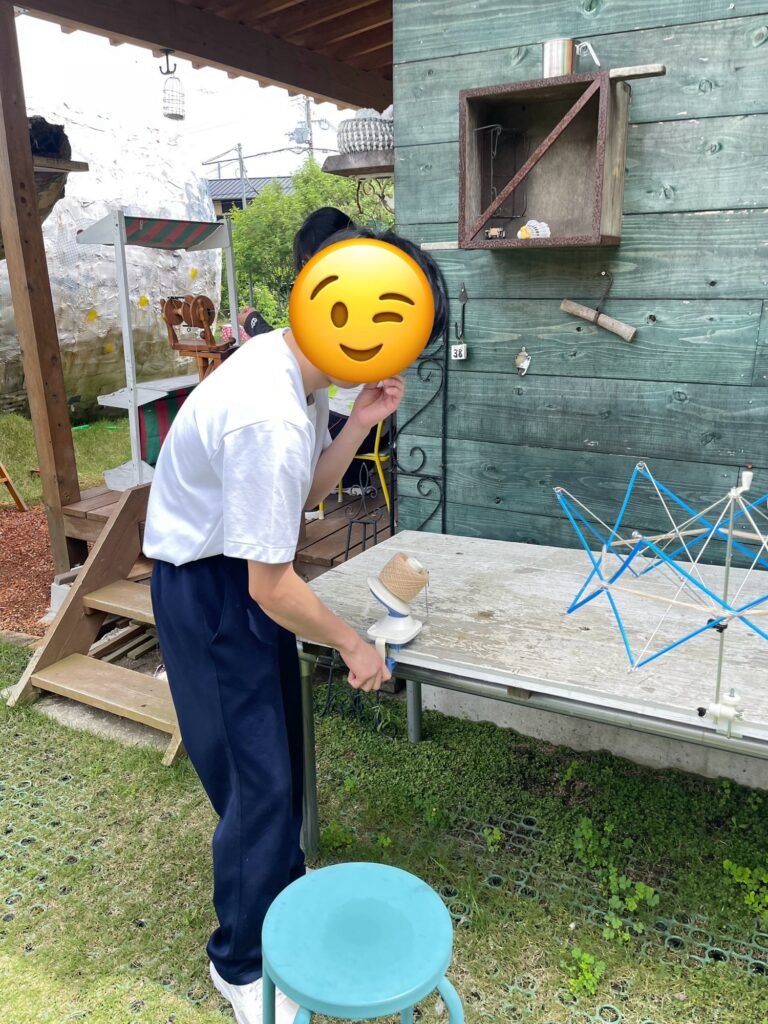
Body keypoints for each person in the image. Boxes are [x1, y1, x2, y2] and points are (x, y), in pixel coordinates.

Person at [143, 214, 447, 1024]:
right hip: (212, 592)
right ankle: (241, 963)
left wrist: (360, 421)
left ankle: (278, 885)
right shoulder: (268, 411)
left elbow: (306, 490)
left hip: (235, 578)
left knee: (276, 755)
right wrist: (352, 645)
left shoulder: (294, 372)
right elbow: (271, 586)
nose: (402, 354)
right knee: (257, 783)